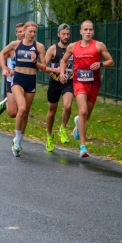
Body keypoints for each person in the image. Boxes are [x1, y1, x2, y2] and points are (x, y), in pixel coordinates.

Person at [60, 20, 114, 158]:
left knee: (86, 115)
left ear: (93, 32)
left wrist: (100, 63)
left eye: (90, 30)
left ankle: (78, 124)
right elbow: (63, 60)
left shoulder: (99, 45)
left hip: (94, 84)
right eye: (86, 29)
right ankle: (83, 147)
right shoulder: (73, 46)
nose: (88, 32)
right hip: (79, 82)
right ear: (81, 31)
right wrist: (62, 73)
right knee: (83, 111)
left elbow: (111, 62)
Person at [0, 21, 46, 157]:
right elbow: (2, 54)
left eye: (34, 32)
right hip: (17, 81)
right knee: (21, 108)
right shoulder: (16, 44)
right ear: (24, 31)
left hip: (31, 81)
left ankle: (19, 138)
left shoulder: (39, 47)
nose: (32, 34)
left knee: (25, 114)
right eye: (30, 32)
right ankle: (16, 140)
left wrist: (36, 62)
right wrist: (5, 68)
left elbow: (44, 67)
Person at [43, 23, 75, 152]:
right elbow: (43, 66)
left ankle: (62, 128)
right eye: (63, 34)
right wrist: (55, 69)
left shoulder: (73, 48)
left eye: (67, 34)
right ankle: (49, 136)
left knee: (67, 106)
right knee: (51, 112)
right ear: (58, 35)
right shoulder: (52, 49)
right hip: (55, 83)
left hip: (68, 82)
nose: (66, 36)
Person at [0, 23, 25, 117]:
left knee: (23, 110)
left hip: (25, 81)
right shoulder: (12, 47)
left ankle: (19, 131)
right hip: (12, 81)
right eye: (20, 32)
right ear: (16, 34)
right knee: (12, 113)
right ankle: (6, 102)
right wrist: (8, 69)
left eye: (24, 31)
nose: (22, 33)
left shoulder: (32, 47)